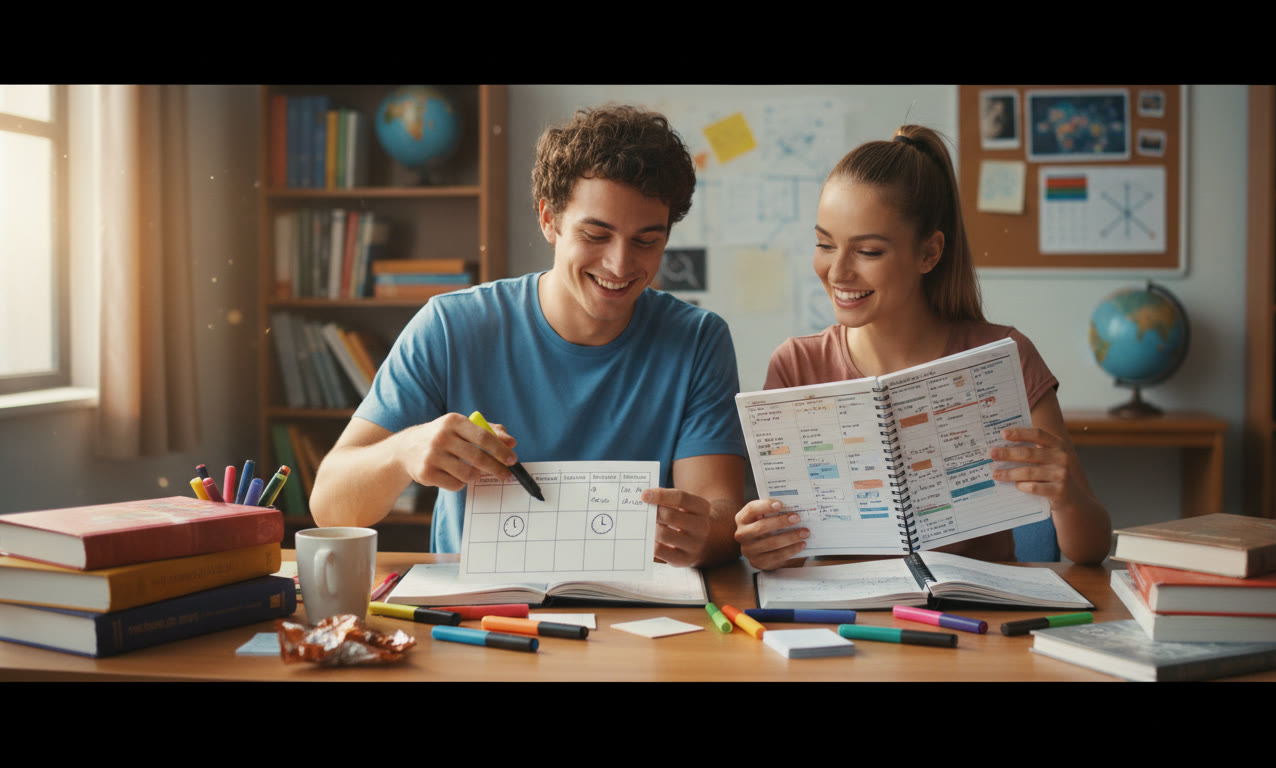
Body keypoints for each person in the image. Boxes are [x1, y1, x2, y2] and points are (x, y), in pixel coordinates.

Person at [309, 104, 748, 569]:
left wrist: (710, 534)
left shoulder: (698, 339)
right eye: (596, 235)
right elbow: (331, 506)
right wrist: (405, 451)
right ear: (548, 220)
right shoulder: (450, 326)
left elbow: (718, 514)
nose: (620, 266)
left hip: (635, 613)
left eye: (646, 241)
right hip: (480, 615)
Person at [734, 124, 1112, 570]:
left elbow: (1090, 550)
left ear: (929, 253)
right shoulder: (796, 365)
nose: (837, 272)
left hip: (976, 621)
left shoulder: (1005, 354)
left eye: (868, 252)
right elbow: (784, 553)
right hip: (848, 622)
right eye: (824, 244)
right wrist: (763, 544)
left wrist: (1065, 496)